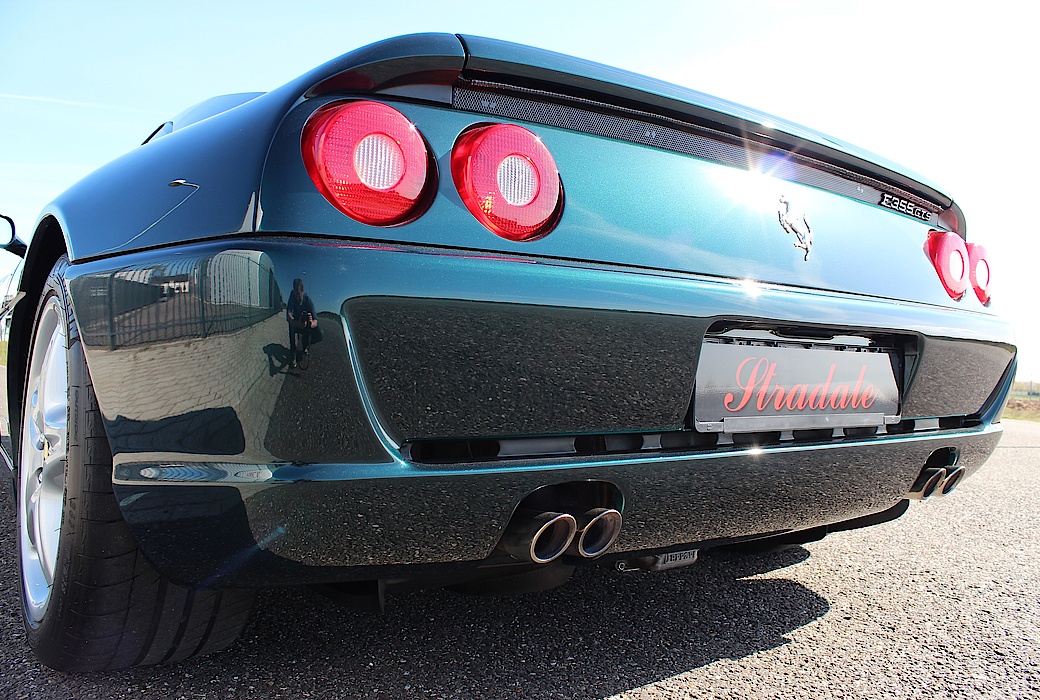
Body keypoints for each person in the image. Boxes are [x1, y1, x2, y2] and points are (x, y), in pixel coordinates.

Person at [286, 278, 317, 368]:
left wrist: (311, 323)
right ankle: (293, 355)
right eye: (295, 293)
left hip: (305, 324)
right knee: (291, 331)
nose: (297, 297)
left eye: (298, 294)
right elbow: (288, 314)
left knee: (316, 332)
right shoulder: (292, 295)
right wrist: (295, 323)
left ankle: (304, 346)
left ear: (303, 291)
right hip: (296, 322)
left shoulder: (308, 300)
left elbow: (316, 321)